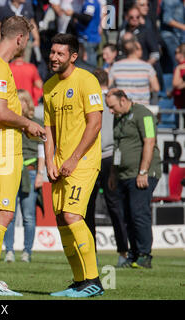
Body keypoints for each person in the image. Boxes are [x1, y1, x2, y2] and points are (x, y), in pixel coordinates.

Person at [0, 15, 45, 296]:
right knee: (4, 213)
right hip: (1, 151)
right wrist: (28, 123)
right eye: (27, 40)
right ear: (20, 39)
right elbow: (1, 113)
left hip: (2, 147)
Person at [43, 33, 104, 298]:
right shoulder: (48, 87)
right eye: (52, 52)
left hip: (84, 161)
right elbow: (49, 130)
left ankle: (94, 280)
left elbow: (95, 123)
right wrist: (49, 161)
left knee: (72, 216)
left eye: (60, 53)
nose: (53, 57)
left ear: (73, 56)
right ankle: (80, 281)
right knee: (62, 220)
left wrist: (74, 158)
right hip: (60, 164)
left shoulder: (87, 80)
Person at [107, 89, 162, 269]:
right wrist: (113, 173)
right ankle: (134, 254)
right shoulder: (119, 117)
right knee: (127, 215)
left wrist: (143, 171)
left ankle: (145, 255)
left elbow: (150, 141)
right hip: (123, 174)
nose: (110, 111)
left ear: (123, 100)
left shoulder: (144, 114)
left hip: (142, 174)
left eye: (112, 106)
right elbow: (117, 147)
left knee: (139, 213)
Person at [85, 69, 129, 267]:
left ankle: (90, 253)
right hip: (111, 157)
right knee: (114, 206)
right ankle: (122, 252)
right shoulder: (113, 101)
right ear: (108, 81)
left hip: (92, 157)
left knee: (89, 208)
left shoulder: (90, 99)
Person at [4, 89, 45, 263]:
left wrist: (40, 175)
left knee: (29, 215)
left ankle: (27, 251)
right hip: (11, 170)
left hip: (30, 171)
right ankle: (9, 251)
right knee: (8, 214)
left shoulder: (36, 122)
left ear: (28, 103)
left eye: (22, 101)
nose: (19, 104)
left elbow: (42, 151)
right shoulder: (7, 122)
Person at [109, 40, 160, 106]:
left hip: (122, 107)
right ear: (137, 50)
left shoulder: (116, 66)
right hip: (142, 108)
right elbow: (156, 88)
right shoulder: (147, 67)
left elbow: (108, 86)